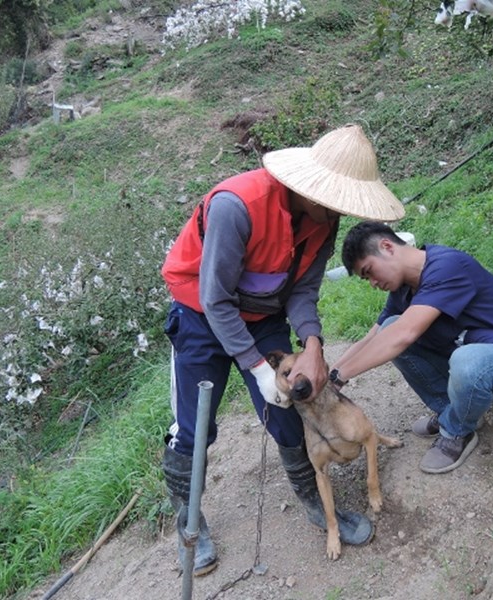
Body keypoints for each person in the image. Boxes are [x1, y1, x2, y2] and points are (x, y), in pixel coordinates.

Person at [159, 125, 405, 575]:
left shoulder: (324, 222)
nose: (336, 213)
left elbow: (304, 289)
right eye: (332, 201)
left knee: (291, 411)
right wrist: (256, 369)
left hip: (263, 314)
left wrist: (312, 344)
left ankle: (313, 499)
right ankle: (189, 525)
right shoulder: (238, 207)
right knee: (193, 433)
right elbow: (215, 299)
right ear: (309, 184)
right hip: (200, 313)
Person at [329, 221, 493, 475]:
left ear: (387, 247)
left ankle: (457, 430)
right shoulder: (403, 289)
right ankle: (452, 411)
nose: (373, 283)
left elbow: (404, 334)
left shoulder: (447, 266)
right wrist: (331, 375)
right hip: (471, 358)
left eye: (369, 271)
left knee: (463, 360)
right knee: (391, 324)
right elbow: (371, 338)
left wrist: (342, 377)